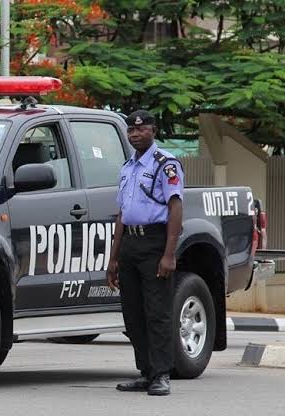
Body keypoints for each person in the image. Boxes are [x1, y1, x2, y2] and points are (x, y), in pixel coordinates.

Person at [106, 110, 184, 396]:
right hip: (130, 244)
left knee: (157, 312)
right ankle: (146, 372)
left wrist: (169, 254)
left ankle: (162, 374)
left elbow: (175, 208)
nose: (135, 134)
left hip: (154, 243)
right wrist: (113, 258)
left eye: (142, 129)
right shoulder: (127, 167)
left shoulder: (166, 164)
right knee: (133, 313)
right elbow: (122, 215)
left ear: (153, 130)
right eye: (131, 130)